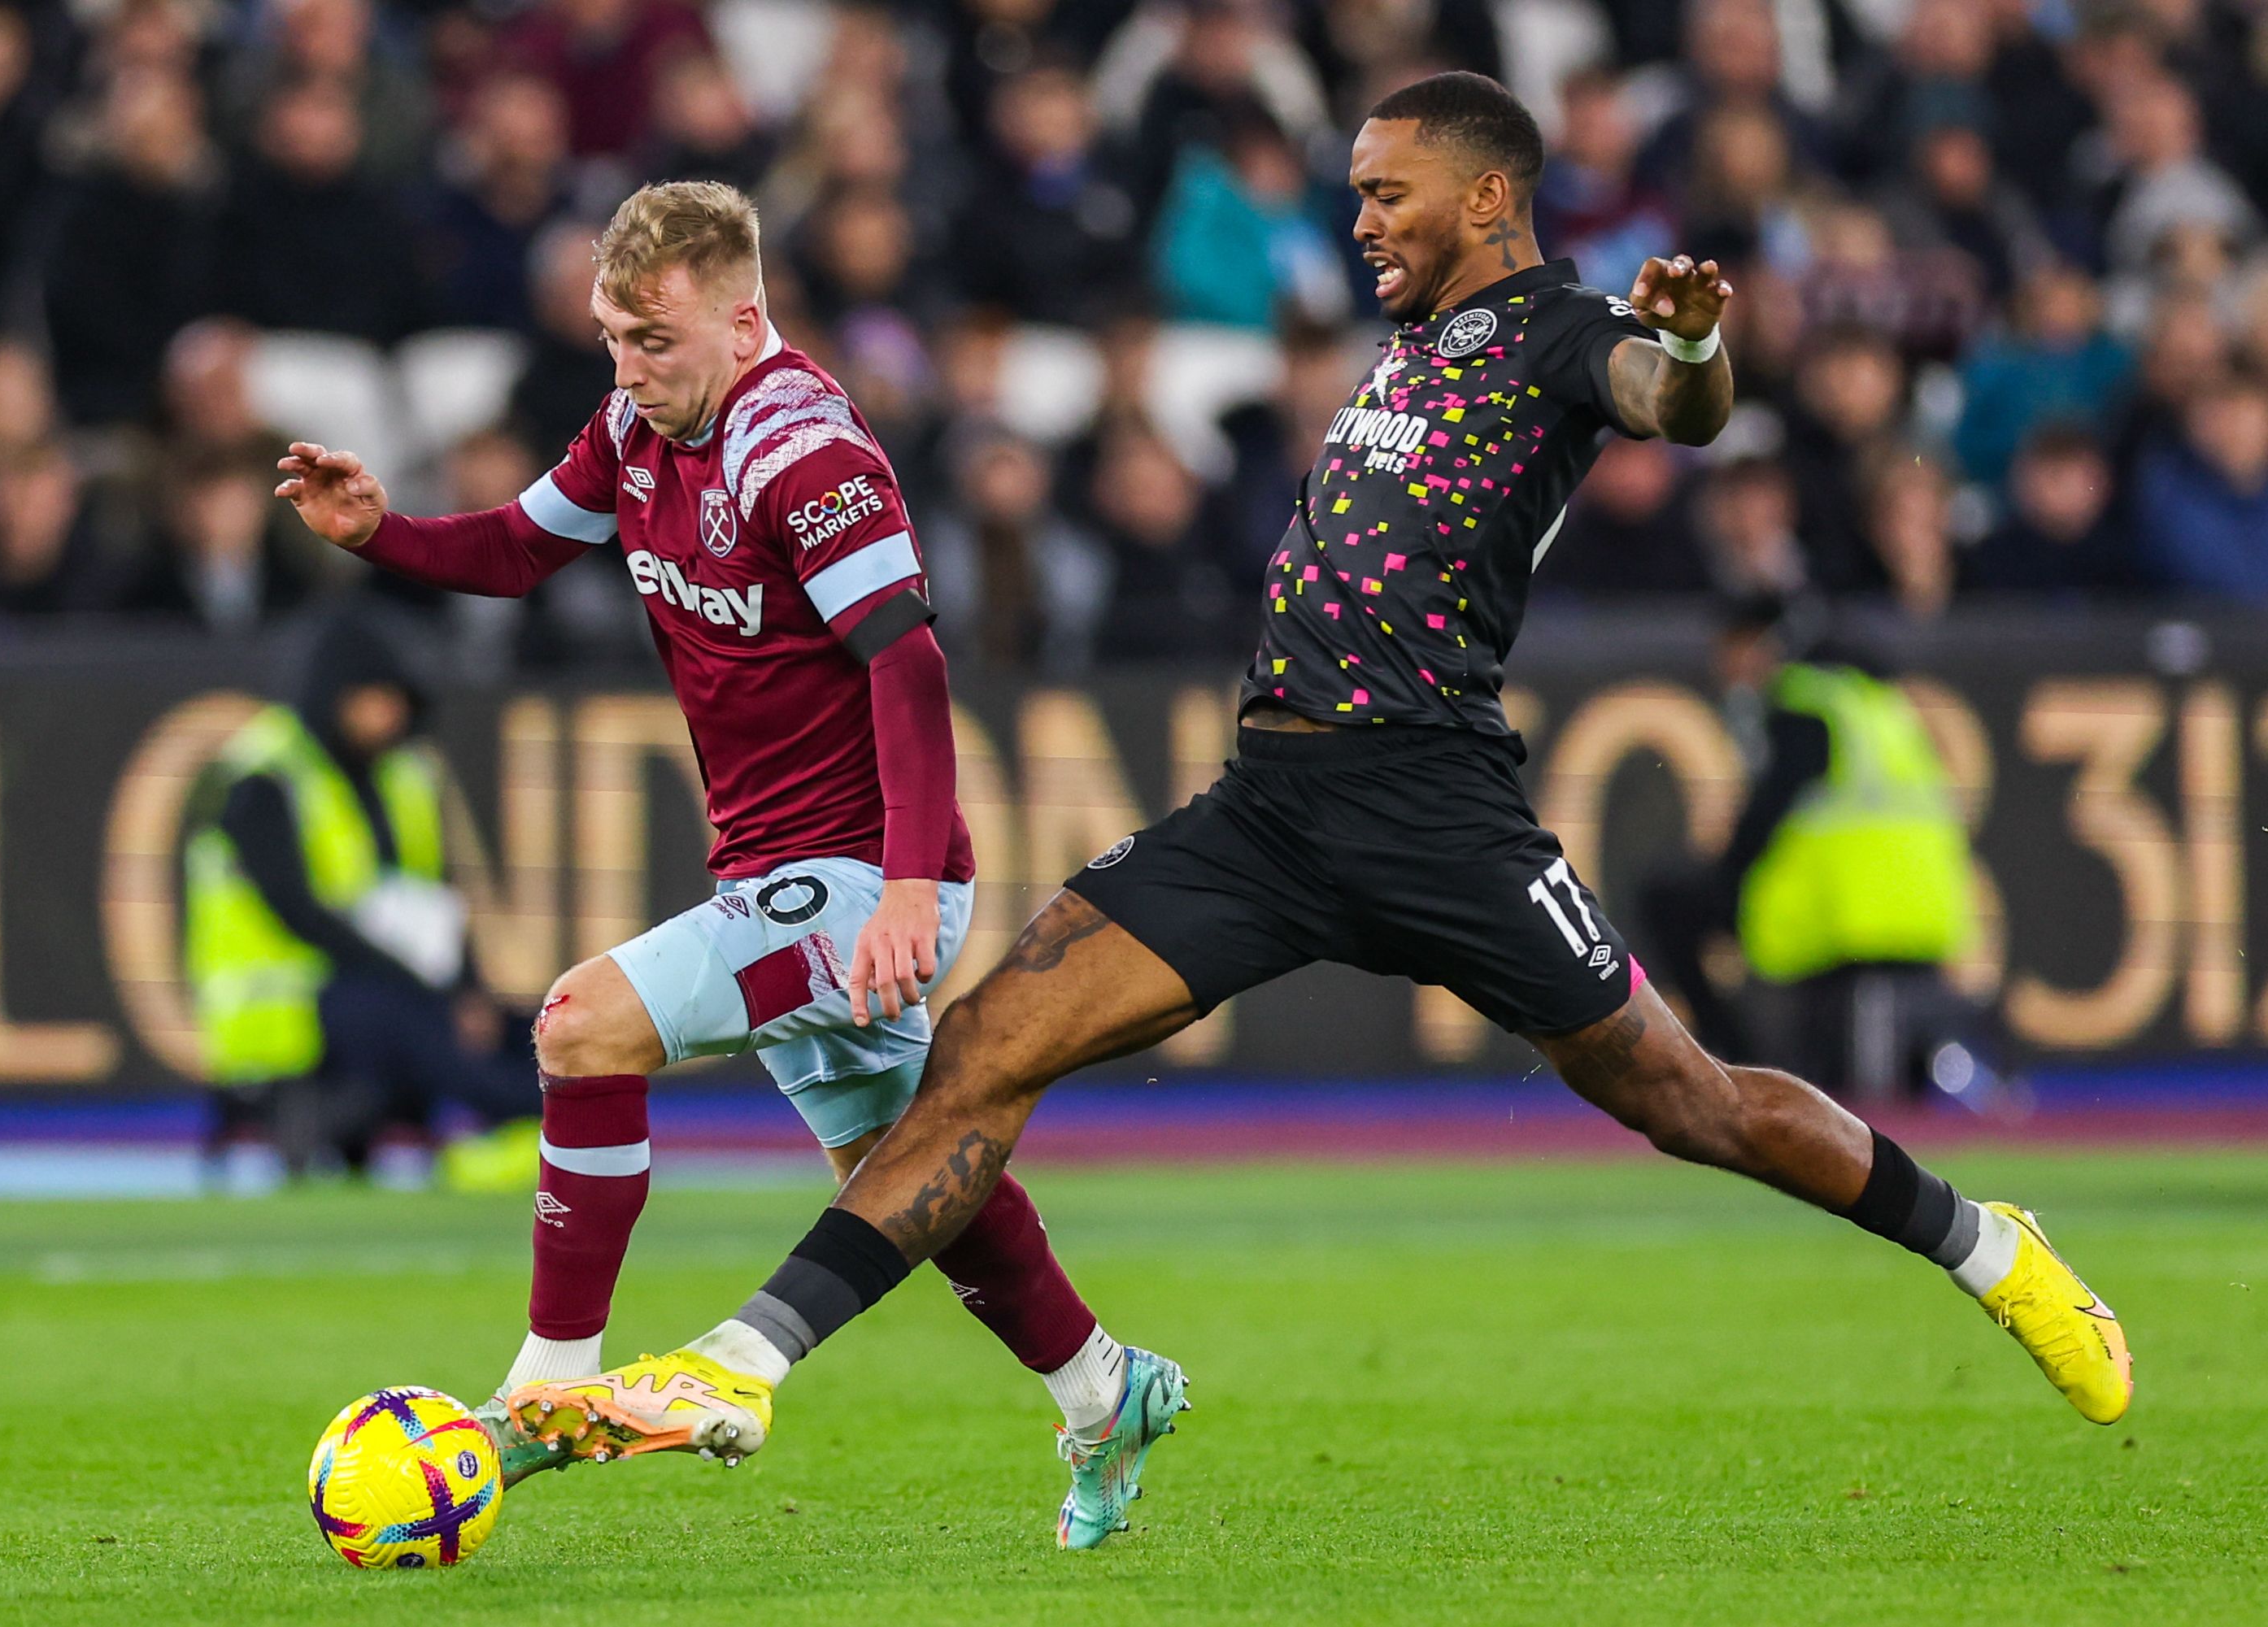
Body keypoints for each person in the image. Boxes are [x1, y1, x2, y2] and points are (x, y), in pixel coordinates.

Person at [559, 73, 2135, 1529]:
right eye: (1359, 192)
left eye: (1392, 193)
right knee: (981, 1052)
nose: (1362, 218)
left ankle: (1987, 1245)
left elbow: (1672, 403)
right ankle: (744, 1360)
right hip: (1269, 805)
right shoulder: (1410, 339)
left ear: (1492, 198)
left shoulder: (1557, 330)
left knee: (1688, 1101)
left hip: (1436, 806)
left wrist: (1704, 351)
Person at [272, 181, 1167, 1547]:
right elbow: (521, 548)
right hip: (774, 869)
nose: (629, 371)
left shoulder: (804, 455)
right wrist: (381, 535)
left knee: (583, 1023)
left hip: (868, 872)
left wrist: (914, 889)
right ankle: (1107, 1388)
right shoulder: (639, 423)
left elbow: (909, 664)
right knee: (910, 1170)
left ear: (745, 319)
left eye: (656, 341)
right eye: (612, 339)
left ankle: (545, 1385)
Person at [183, 613, 537, 1190]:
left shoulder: (404, 777)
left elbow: (438, 903)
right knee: (408, 1020)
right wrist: (424, 984)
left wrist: (466, 988)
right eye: (374, 698)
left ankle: (544, 1119)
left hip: (375, 984)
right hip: (282, 1006)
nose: (389, 715)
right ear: (334, 694)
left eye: (396, 700)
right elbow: (298, 913)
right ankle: (525, 1123)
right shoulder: (263, 777)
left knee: (511, 1021)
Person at [1638, 598, 1982, 1097]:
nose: (1727, 673)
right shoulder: (1872, 700)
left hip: (1851, 913)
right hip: (1919, 910)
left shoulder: (1805, 702)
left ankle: (1729, 1062)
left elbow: (1764, 821)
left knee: (1667, 898)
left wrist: (1729, 873)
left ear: (1760, 644)